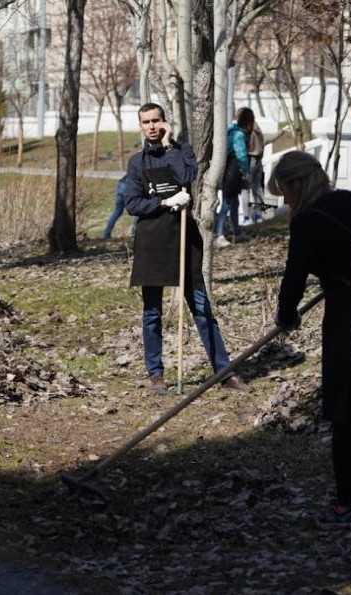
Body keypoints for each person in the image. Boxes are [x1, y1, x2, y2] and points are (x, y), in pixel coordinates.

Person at [270, 151, 351, 527]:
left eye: (283, 189)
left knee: (345, 414)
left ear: (296, 184)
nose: (283, 199)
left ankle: (345, 506)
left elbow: (294, 278)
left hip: (349, 321)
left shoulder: (308, 221)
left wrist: (286, 317)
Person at [123, 102, 248, 395]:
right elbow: (132, 203)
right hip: (152, 243)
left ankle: (224, 371)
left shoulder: (183, 152)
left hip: (183, 238)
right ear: (140, 126)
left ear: (165, 123)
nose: (152, 126)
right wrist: (163, 203)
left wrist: (169, 146)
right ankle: (156, 374)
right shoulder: (136, 163)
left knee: (202, 309)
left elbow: (185, 178)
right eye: (146, 122)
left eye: (156, 121)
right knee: (152, 313)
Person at [215, 108, 255, 247]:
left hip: (232, 171)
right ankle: (218, 235)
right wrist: (246, 172)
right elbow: (241, 155)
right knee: (226, 203)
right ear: (248, 122)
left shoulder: (233, 132)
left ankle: (236, 232)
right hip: (233, 171)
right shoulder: (238, 135)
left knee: (234, 202)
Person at [103, 175, 137, 239]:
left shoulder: (135, 166)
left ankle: (106, 235)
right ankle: (134, 234)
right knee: (138, 211)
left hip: (121, 184)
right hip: (129, 187)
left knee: (117, 211)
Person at [246, 113, 266, 222]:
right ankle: (259, 215)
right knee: (258, 188)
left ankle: (248, 216)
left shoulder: (247, 130)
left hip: (250, 160)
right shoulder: (258, 129)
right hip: (259, 160)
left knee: (247, 189)